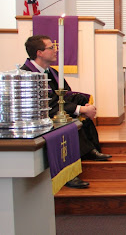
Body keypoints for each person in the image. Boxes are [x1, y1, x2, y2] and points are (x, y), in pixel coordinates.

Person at [22, 35, 111, 189]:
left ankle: (88, 150)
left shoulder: (52, 72)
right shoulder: (27, 75)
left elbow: (66, 94)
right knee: (66, 124)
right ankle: (68, 173)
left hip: (54, 110)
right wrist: (79, 110)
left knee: (80, 104)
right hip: (38, 118)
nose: (55, 50)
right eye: (51, 47)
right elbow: (46, 104)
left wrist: (83, 105)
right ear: (39, 53)